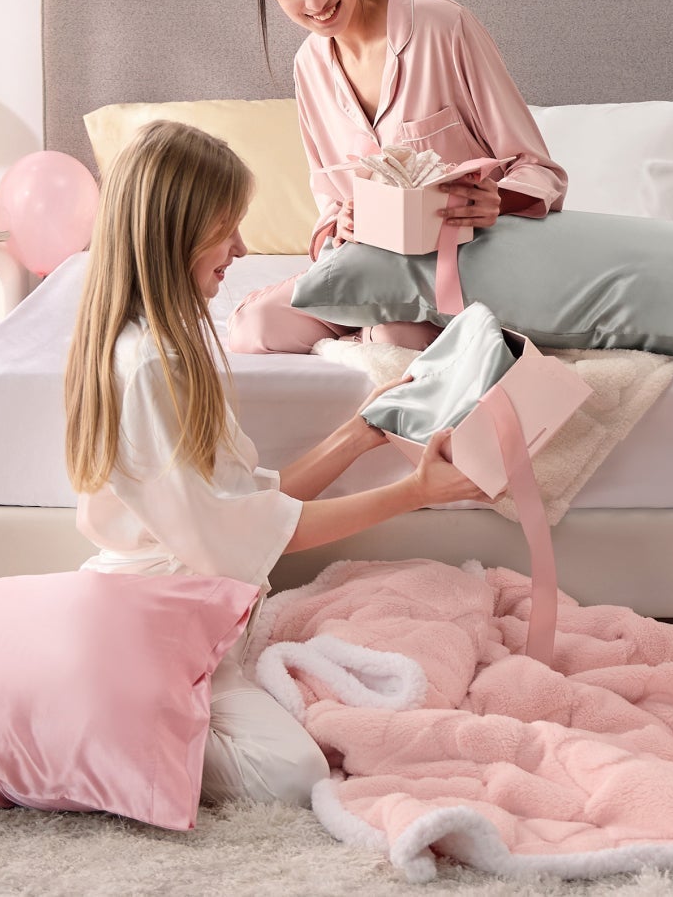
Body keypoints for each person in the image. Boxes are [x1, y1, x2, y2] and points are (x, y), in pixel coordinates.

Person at [63, 119, 488, 807]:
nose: (243, 248)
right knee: (293, 774)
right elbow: (241, 537)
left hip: (192, 615)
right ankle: (102, 736)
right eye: (226, 228)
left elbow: (247, 506)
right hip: (161, 627)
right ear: (176, 232)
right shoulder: (151, 367)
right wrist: (413, 491)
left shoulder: (164, 349)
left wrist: (360, 433)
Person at [227, 0, 569, 355]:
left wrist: (498, 201)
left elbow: (539, 169)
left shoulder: (443, 26)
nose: (315, 2)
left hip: (460, 261)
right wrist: (340, 222)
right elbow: (330, 197)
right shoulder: (309, 65)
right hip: (369, 264)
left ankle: (374, 333)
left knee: (396, 337)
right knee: (255, 328)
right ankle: (364, 326)